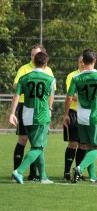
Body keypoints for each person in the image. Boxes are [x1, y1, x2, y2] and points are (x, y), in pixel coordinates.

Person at [65, 49, 97, 184]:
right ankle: (80, 168)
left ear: (83, 61)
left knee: (87, 146)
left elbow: (69, 97)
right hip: (95, 116)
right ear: (94, 61)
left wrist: (65, 114)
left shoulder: (77, 78)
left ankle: (92, 177)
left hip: (81, 116)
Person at [10, 51, 56, 184]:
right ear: (45, 63)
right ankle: (19, 171)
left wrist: (12, 113)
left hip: (26, 113)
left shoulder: (24, 78)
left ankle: (43, 176)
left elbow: (17, 96)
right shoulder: (50, 79)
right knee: (38, 147)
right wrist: (50, 109)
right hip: (41, 115)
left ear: (34, 61)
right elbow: (51, 97)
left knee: (37, 145)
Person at [62, 55, 85, 181]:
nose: (82, 64)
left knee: (83, 145)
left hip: (86, 113)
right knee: (73, 143)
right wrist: (87, 98)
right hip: (74, 113)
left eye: (84, 62)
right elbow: (72, 95)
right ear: (78, 63)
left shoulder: (92, 74)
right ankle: (66, 172)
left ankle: (78, 171)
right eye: (80, 62)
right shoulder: (72, 76)